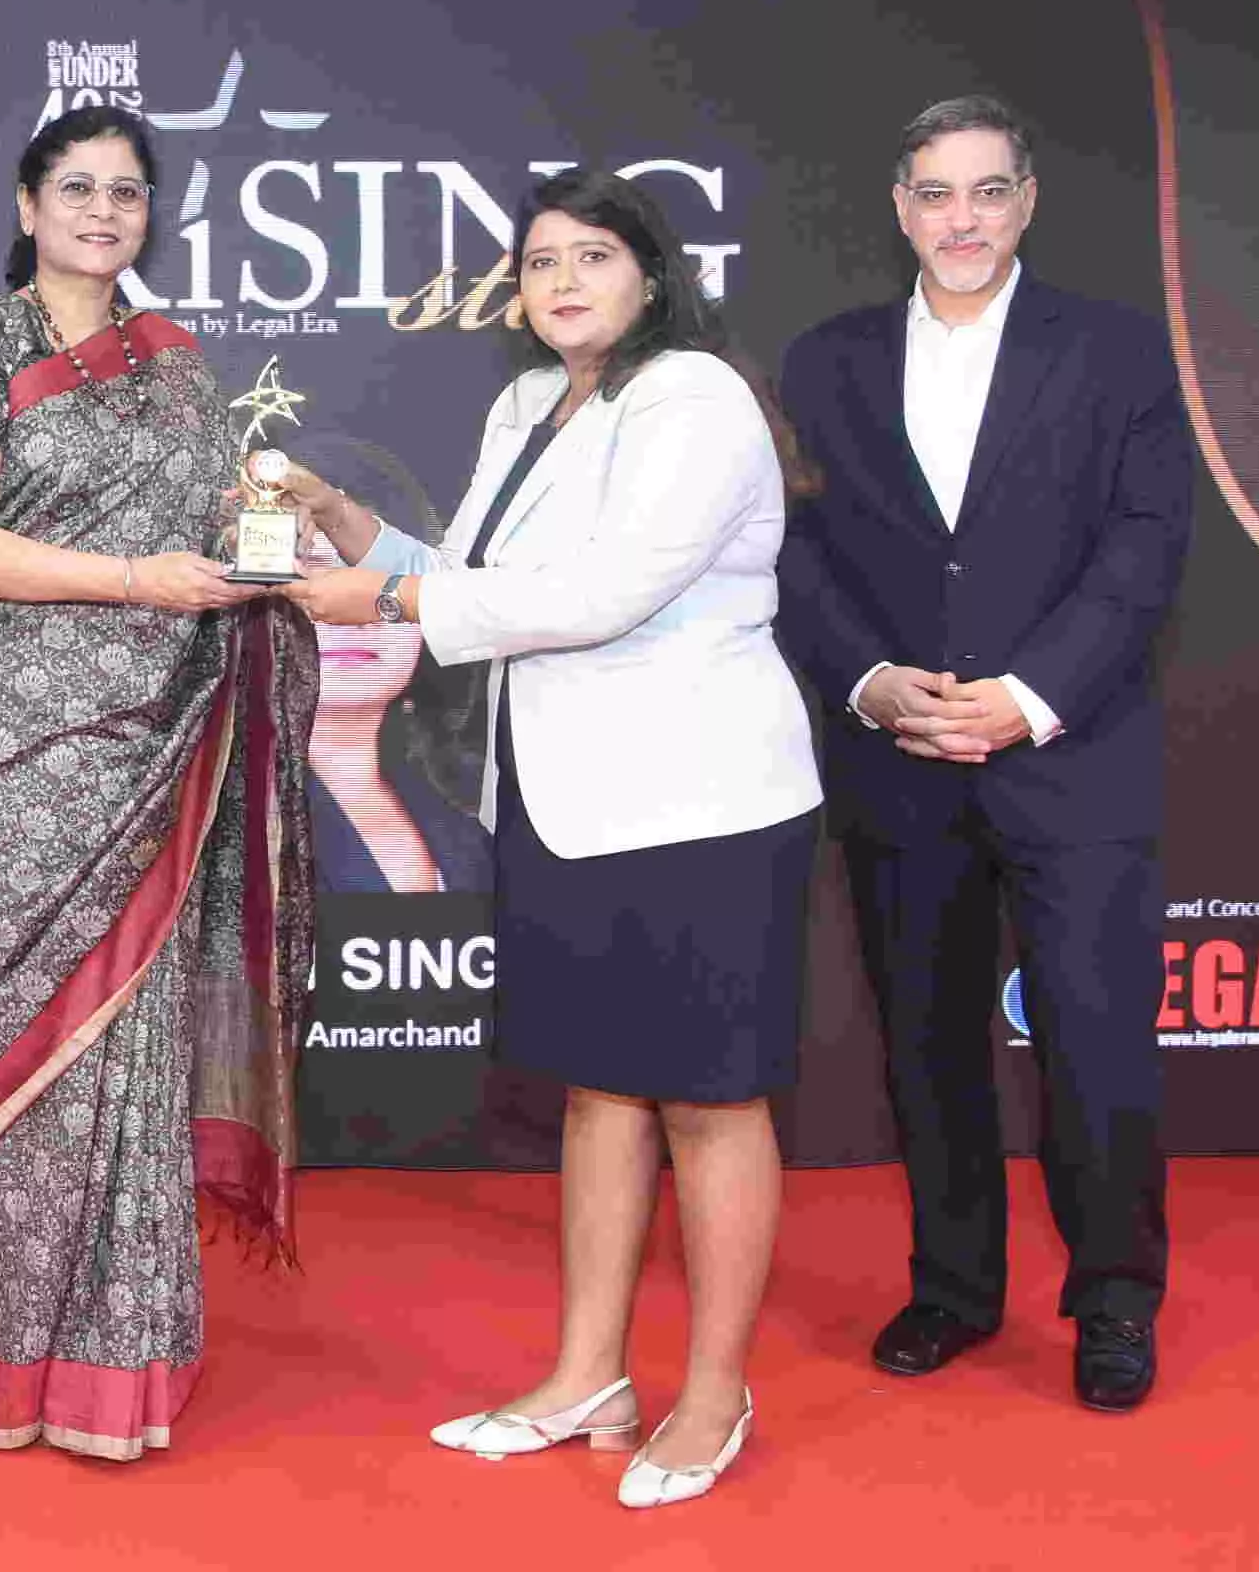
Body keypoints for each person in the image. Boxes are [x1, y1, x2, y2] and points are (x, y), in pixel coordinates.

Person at [290, 167, 821, 1510]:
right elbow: (474, 580)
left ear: (651, 272)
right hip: (563, 796)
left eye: (593, 255)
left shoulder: (693, 396)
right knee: (599, 1091)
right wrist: (348, 526)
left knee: (710, 1099)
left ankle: (715, 1391)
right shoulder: (529, 402)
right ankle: (589, 1376)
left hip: (699, 802)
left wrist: (386, 596)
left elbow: (602, 594)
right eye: (540, 261)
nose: (564, 280)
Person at [0, 103, 318, 1460]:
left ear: (150, 214)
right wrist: (136, 578)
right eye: (75, 188)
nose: (100, 211)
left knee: (130, 1045)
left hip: (152, 739)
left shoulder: (181, 366)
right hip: (3, 746)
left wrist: (265, 527)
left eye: (125, 191)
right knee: (20, 1043)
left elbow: (212, 532)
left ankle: (111, 1370)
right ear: (27, 206)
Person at [775, 95, 1192, 1414]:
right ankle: (953, 1287)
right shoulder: (825, 361)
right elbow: (792, 553)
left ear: (1027, 200)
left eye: (988, 191)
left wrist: (1028, 696)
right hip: (900, 756)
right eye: (936, 193)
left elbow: (1146, 547)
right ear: (900, 208)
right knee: (926, 1042)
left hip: (1074, 753)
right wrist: (871, 683)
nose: (962, 218)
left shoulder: (1117, 350)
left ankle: (1115, 1301)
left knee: (1098, 1045)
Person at [290, 437, 491, 894]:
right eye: (318, 577)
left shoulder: (474, 803)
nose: (355, 612)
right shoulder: (219, 808)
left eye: (380, 585)